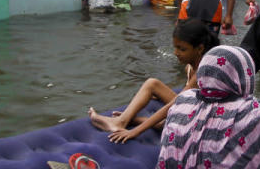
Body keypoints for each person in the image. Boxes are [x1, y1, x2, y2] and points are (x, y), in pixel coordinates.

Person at [88, 19, 219, 143]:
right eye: (175, 47)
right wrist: (161, 94)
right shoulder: (189, 66)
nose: (176, 53)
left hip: (202, 120)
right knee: (153, 84)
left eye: (182, 49)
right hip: (195, 107)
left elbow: (176, 104)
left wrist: (135, 132)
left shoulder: (202, 72)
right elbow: (187, 97)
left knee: (166, 119)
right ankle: (126, 120)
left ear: (200, 48)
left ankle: (124, 122)